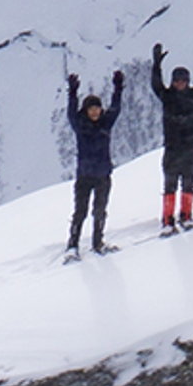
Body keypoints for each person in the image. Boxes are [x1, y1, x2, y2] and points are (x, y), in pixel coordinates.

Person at [150, 40, 193, 234]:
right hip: (172, 148)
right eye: (177, 80)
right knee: (169, 185)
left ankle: (186, 215)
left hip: (190, 147)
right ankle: (168, 219)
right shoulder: (166, 96)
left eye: (183, 80)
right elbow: (155, 84)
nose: (180, 84)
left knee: (188, 183)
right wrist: (156, 64)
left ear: (187, 81)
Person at [64, 68, 122, 259]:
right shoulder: (80, 126)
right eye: (91, 109)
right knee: (80, 212)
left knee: (99, 211)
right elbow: (71, 114)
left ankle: (98, 242)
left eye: (97, 108)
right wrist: (72, 93)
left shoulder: (105, 123)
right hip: (85, 176)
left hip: (103, 175)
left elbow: (116, 108)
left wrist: (118, 88)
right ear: (86, 110)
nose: (95, 111)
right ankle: (72, 246)